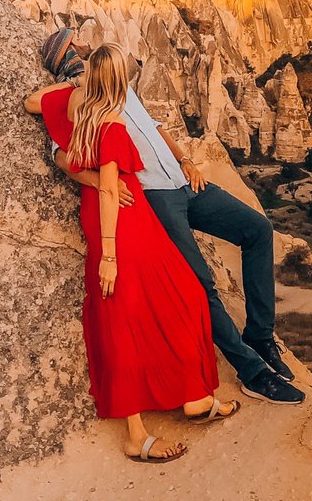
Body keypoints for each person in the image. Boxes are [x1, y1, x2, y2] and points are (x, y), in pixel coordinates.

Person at [37, 28, 305, 406]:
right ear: (65, 59)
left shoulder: (118, 85)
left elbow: (156, 129)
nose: (83, 46)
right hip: (155, 197)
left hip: (183, 181)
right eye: (73, 45)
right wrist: (98, 180)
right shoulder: (74, 100)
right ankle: (253, 372)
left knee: (258, 229)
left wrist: (185, 159)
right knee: (201, 282)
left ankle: (260, 336)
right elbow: (61, 155)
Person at [25, 43, 241, 463]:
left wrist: (75, 83)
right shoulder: (110, 123)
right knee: (131, 312)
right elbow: (109, 187)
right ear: (120, 82)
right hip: (122, 222)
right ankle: (136, 433)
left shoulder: (71, 103)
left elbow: (34, 106)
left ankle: (194, 397)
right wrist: (109, 254)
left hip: (120, 213)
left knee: (180, 295)